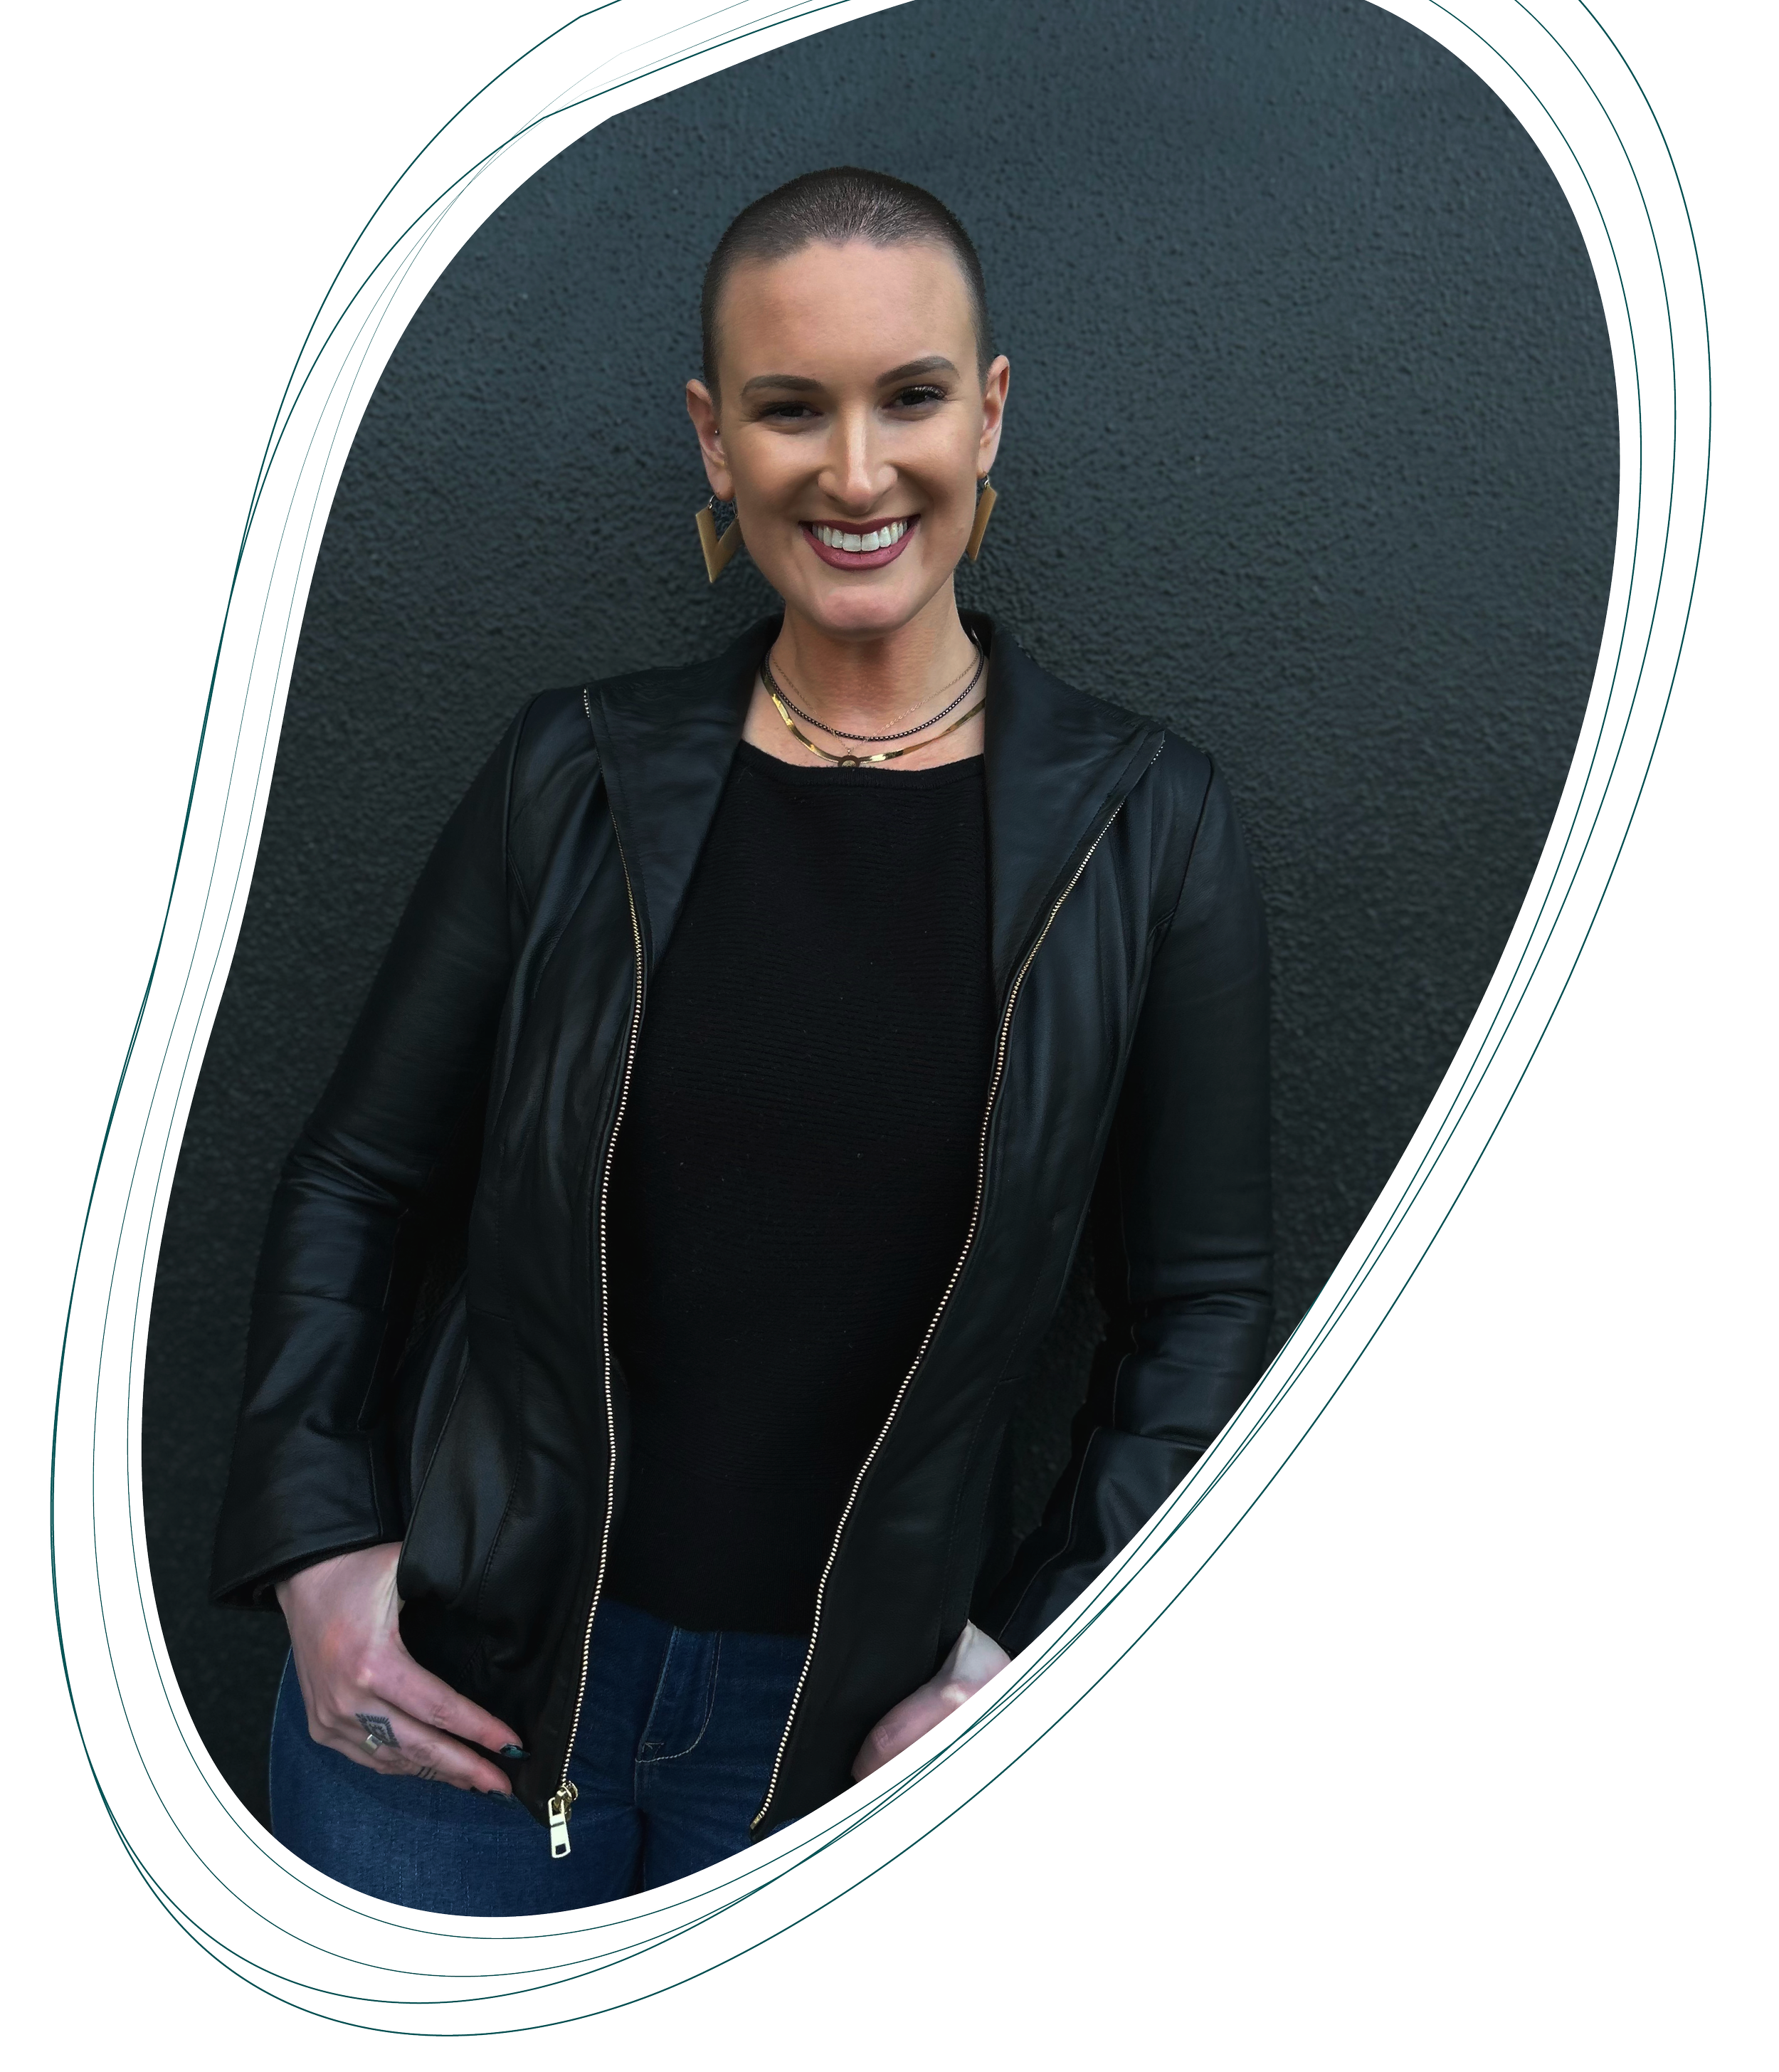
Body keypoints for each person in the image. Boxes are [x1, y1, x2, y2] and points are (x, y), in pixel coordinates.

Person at [211, 167, 1273, 1917]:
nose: (856, 472)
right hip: (461, 1698)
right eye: (792, 409)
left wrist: (1027, 1661)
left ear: (988, 410)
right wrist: (320, 1551)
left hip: (847, 1743)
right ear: (714, 440)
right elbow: (355, 1174)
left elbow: (1202, 1308)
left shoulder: (1147, 829)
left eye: (910, 396)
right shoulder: (573, 777)